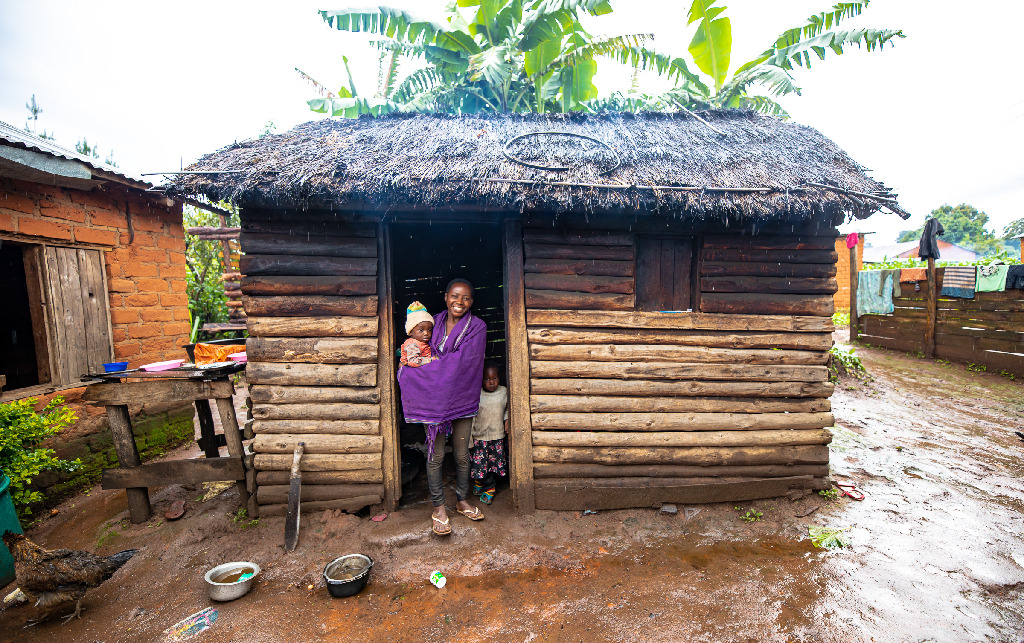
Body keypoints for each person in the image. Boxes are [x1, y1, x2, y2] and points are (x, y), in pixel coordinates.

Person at [397, 278, 487, 536]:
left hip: (461, 398)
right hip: (433, 401)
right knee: (435, 455)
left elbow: (464, 364)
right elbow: (415, 357)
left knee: (461, 454)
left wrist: (426, 371)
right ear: (446, 296)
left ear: (472, 301)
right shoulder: (431, 323)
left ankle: (461, 500)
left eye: (466, 298)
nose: (460, 302)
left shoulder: (477, 327)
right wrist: (413, 369)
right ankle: (438, 507)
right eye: (455, 296)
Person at [470, 361, 508, 505]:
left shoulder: (503, 391)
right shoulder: (476, 394)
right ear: (481, 380)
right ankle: (480, 481)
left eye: (495, 378)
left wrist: (507, 420)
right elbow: (471, 416)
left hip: (497, 436)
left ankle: (490, 488)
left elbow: (507, 408)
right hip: (479, 436)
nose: (491, 382)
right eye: (487, 379)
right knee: (479, 464)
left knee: (492, 464)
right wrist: (470, 437)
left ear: (500, 378)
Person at [399, 301, 437, 368]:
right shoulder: (412, 344)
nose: (426, 333)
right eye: (421, 330)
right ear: (410, 332)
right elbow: (413, 361)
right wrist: (432, 360)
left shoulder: (421, 342)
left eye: (429, 330)